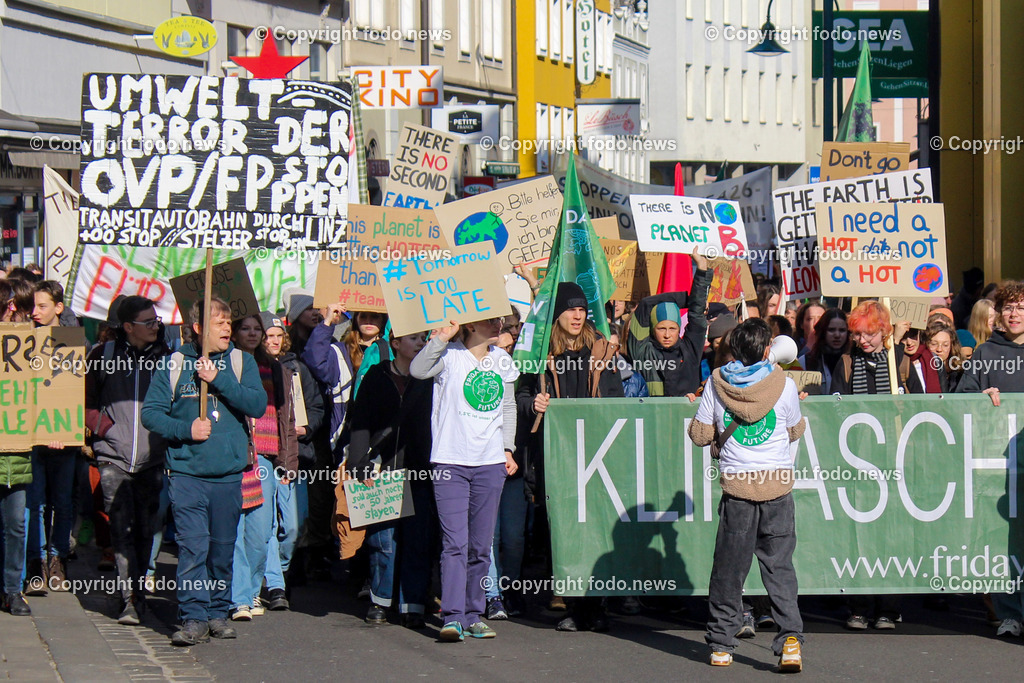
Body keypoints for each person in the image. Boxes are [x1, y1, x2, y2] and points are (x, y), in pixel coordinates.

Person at [141, 298, 267, 646]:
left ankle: (217, 611)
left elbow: (257, 404)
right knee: (193, 548)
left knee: (222, 549)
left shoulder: (242, 362)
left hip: (228, 475)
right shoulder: (175, 363)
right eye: (220, 323)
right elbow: (151, 414)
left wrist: (220, 380)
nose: (228, 329)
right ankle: (193, 616)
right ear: (198, 328)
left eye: (230, 322)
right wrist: (185, 431)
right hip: (186, 474)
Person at [688, 318, 804, 672]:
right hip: (777, 489)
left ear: (733, 349)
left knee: (729, 569)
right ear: (768, 349)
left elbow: (700, 435)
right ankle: (791, 643)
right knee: (779, 567)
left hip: (738, 488)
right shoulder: (784, 385)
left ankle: (722, 645)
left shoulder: (717, 383)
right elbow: (795, 429)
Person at [519, 283, 625, 632]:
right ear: (556, 315)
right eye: (570, 309)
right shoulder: (537, 354)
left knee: (595, 527)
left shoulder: (602, 351)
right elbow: (519, 395)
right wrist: (532, 404)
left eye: (582, 309)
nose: (577, 315)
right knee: (564, 527)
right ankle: (571, 599)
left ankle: (595, 606)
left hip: (596, 456)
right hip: (557, 457)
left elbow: (617, 401)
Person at [410, 314, 519, 642]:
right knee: (455, 543)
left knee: (481, 545)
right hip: (450, 462)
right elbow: (417, 371)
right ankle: (453, 615)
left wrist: (508, 449)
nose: (499, 325)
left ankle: (474, 615)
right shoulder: (449, 355)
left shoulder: (502, 359)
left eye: (502, 320)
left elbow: (509, 407)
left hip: (490, 464)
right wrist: (441, 337)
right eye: (491, 321)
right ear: (471, 324)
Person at [84, 296, 170, 625]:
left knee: (147, 530)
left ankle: (139, 593)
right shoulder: (102, 356)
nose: (155, 326)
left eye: (156, 321)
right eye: (148, 322)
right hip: (114, 457)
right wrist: (105, 429)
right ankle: (127, 600)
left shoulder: (167, 360)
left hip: (153, 458)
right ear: (129, 327)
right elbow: (84, 401)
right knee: (120, 530)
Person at [829, 301, 910, 629]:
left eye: (870, 334)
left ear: (885, 331)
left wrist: (905, 399)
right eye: (857, 334)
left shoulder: (900, 362)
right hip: (858, 460)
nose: (863, 340)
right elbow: (833, 408)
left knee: (892, 534)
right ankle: (859, 606)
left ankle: (888, 608)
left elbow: (929, 405)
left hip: (894, 458)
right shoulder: (846, 363)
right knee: (859, 533)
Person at [346, 330, 434, 628]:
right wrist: (359, 464)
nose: (421, 343)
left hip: (421, 471)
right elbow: (361, 421)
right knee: (383, 541)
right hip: (383, 471)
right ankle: (380, 601)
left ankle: (413, 604)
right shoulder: (375, 376)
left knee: (417, 540)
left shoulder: (432, 378)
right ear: (395, 344)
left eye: (424, 338)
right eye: (414, 338)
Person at [957, 281, 1024, 637]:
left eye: (1021, 307)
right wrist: (980, 394)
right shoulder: (984, 354)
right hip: (996, 463)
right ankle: (1009, 613)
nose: (1014, 314)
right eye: (1009, 307)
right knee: (1002, 540)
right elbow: (960, 398)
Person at [228, 315, 298, 622]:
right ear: (234, 331)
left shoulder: (277, 369)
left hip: (266, 458)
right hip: (234, 455)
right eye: (247, 328)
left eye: (258, 329)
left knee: (260, 531)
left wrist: (287, 460)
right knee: (235, 530)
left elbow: (288, 417)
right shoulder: (225, 363)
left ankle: (253, 586)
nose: (254, 334)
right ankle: (240, 596)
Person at [260, 311, 324, 611]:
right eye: (266, 336)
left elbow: (316, 407)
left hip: (295, 455)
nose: (272, 341)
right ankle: (274, 585)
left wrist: (306, 427)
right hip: (263, 455)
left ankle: (280, 570)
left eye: (276, 336)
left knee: (293, 528)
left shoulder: (298, 368)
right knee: (269, 524)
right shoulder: (252, 367)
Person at [25, 280, 76, 594]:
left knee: (62, 502)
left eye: (42, 306)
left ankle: (57, 559)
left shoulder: (71, 341)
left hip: (62, 438)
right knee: (37, 502)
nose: (35, 312)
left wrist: (62, 429)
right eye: (34, 306)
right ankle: (37, 562)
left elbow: (71, 391)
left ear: (58, 308)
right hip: (33, 436)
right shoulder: (26, 341)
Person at [627, 248, 712, 396]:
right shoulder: (644, 353)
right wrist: (686, 299)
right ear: (653, 329)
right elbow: (645, 305)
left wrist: (702, 269)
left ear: (679, 328)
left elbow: (697, 315)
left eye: (672, 328)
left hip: (686, 418)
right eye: (661, 328)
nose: (667, 335)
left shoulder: (690, 350)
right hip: (652, 418)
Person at [0, 284, 33, 616]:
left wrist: (55, 430)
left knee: (15, 525)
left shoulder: (31, 345)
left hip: (17, 456)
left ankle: (12, 590)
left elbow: (49, 392)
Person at [798, 309, 849, 390]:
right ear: (823, 332)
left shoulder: (853, 362)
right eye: (831, 330)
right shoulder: (805, 361)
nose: (837, 335)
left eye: (842, 330)